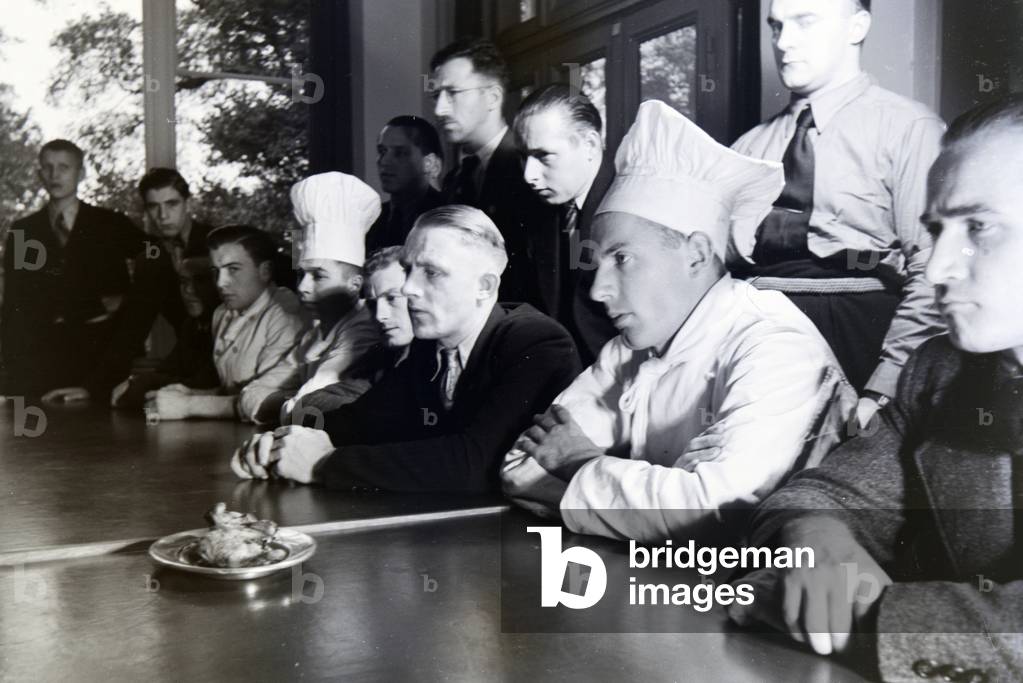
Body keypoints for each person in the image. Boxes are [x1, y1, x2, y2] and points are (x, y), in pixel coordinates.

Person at [728, 96, 1023, 683]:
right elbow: (827, 492)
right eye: (936, 230)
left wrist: (862, 617)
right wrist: (814, 536)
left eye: (979, 227)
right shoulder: (937, 370)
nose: (936, 268)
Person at [501, 101, 857, 543]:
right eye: (598, 262)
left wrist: (580, 463)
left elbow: (712, 514)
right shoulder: (630, 349)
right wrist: (666, 489)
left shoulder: (774, 346)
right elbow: (521, 468)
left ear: (696, 254)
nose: (598, 290)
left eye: (622, 259)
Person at [230, 205, 581, 493]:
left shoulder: (537, 342)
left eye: (432, 273)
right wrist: (282, 443)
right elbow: (363, 419)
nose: (409, 288)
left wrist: (322, 464)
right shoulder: (430, 347)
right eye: (409, 270)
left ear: (485, 287)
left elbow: (475, 463)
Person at [729, 0, 946, 426]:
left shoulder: (909, 128)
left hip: (858, 340)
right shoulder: (746, 147)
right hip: (754, 341)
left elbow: (932, 269)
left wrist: (884, 387)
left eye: (805, 22)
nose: (783, 42)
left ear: (857, 26)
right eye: (776, 26)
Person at [41, 167, 214, 404]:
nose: (163, 215)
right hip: (190, 366)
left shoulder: (217, 244)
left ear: (188, 204)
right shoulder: (153, 258)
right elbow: (133, 327)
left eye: (172, 204)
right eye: (154, 206)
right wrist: (93, 388)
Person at [238, 172, 384, 425]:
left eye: (318, 276)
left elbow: (306, 410)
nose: (303, 287)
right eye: (301, 274)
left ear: (355, 285)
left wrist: (285, 402)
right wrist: (290, 401)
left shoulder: (362, 332)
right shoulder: (314, 335)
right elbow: (250, 394)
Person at [1, 139, 143, 397]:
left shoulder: (111, 224)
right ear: (39, 174)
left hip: (100, 359)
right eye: (48, 167)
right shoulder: (24, 231)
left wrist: (127, 299)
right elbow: (14, 301)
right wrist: (11, 362)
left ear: (81, 173)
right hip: (42, 360)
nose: (54, 175)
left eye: (64, 167)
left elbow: (154, 255)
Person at [429, 37, 554, 304]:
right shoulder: (455, 180)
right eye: (436, 96)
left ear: (493, 97)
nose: (439, 109)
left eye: (452, 93)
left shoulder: (530, 170)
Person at [144, 224, 305, 421]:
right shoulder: (222, 313)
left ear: (265, 271)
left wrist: (189, 405)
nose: (220, 283)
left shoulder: (286, 313)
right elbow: (235, 390)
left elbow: (270, 399)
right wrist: (190, 393)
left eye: (233, 269)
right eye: (216, 271)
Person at [513, 83, 617, 364]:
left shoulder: (631, 207)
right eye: (523, 156)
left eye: (543, 155)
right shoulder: (536, 208)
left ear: (590, 145)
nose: (529, 175)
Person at [111, 256, 220, 409]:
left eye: (200, 281)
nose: (189, 290)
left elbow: (201, 384)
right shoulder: (191, 325)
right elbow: (167, 369)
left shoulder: (223, 325)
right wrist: (136, 381)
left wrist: (141, 382)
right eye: (184, 282)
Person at [366, 116, 445, 253]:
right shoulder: (372, 217)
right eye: (382, 151)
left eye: (400, 153)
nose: (384, 161)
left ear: (428, 163)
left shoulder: (445, 216)